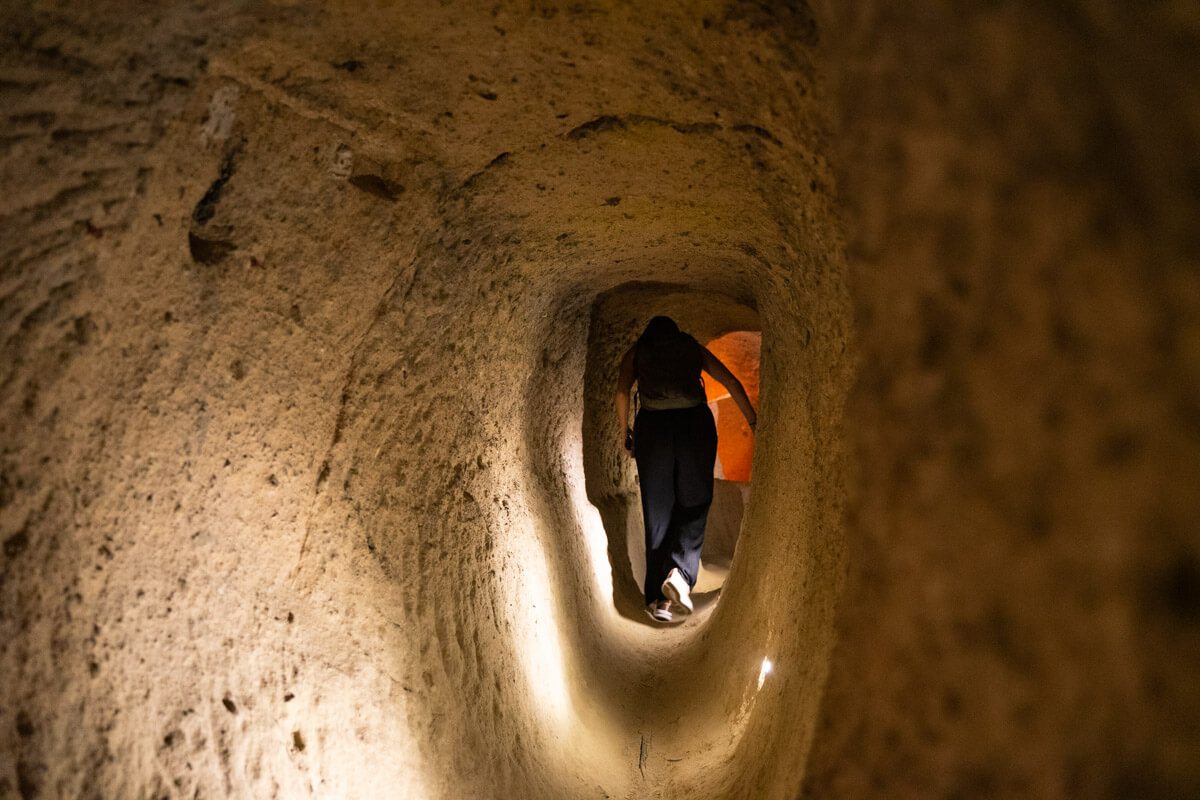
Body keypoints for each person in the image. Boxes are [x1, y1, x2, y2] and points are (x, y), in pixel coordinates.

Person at [615, 316, 757, 624]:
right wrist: (754, 421)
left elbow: (622, 391)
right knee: (695, 502)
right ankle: (679, 573)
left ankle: (656, 600)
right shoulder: (690, 347)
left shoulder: (639, 351)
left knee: (658, 511)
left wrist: (625, 431)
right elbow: (731, 381)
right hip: (694, 425)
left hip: (653, 429)